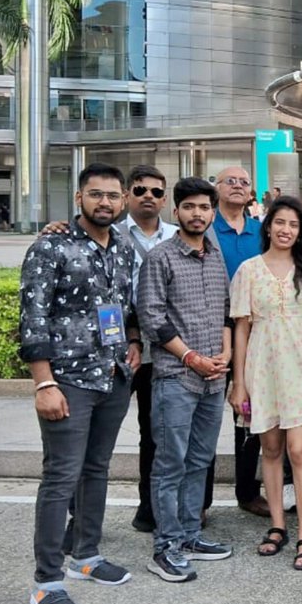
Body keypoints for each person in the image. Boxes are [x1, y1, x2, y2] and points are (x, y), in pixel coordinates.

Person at [19, 163, 141, 604]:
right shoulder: (50, 247)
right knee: (61, 477)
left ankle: (85, 557)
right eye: (95, 195)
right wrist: (44, 382)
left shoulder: (124, 249)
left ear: (123, 200)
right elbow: (33, 317)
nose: (104, 202)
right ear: (79, 198)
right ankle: (46, 581)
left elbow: (124, 307)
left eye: (112, 195)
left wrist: (131, 343)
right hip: (67, 379)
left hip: (112, 375)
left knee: (97, 469)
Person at [229, 197, 302, 570]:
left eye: (294, 225)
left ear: (301, 231)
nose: (286, 230)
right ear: (268, 226)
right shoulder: (248, 270)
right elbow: (241, 330)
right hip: (262, 366)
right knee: (270, 448)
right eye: (280, 222)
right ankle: (278, 526)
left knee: (300, 450)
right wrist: (239, 384)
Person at [137, 177, 233, 582]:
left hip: (215, 377)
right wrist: (191, 357)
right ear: (175, 212)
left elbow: (226, 309)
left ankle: (191, 534)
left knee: (200, 459)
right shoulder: (160, 258)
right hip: (177, 376)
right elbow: (152, 319)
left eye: (204, 207)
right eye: (189, 207)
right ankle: (166, 545)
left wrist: (226, 353)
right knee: (170, 463)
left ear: (212, 212)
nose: (198, 214)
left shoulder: (215, 256)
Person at [118, 166, 180, 534]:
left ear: (165, 198)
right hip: (121, 348)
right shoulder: (109, 233)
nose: (148, 196)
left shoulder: (176, 236)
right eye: (140, 189)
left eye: (157, 192)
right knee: (97, 435)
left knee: (154, 433)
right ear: (127, 194)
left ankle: (151, 509)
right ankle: (78, 519)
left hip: (165, 351)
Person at [208, 167, 269, 520]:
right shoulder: (205, 226)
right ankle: (198, 501)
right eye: (229, 181)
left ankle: (247, 491)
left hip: (252, 330)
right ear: (217, 189)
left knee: (247, 413)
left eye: (244, 182)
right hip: (210, 327)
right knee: (205, 418)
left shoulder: (260, 232)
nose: (237, 186)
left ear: (251, 193)